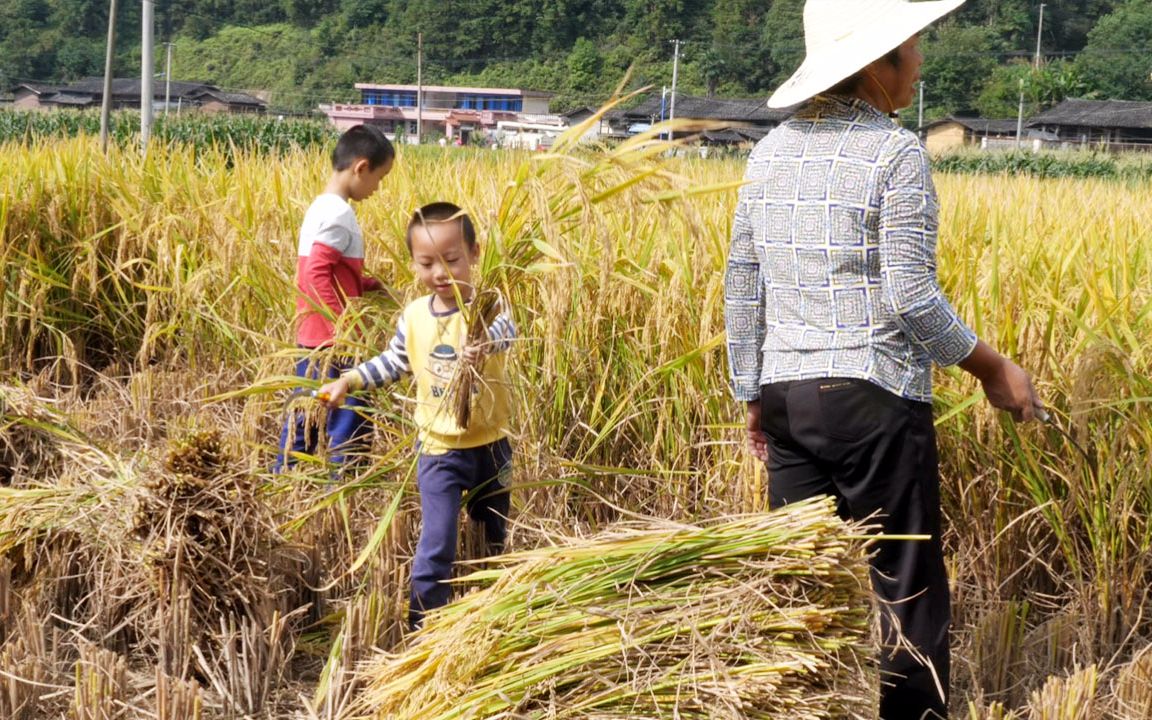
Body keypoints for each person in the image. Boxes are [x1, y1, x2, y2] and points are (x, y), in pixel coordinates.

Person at [723, 1, 1041, 718]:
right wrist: (994, 369)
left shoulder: (767, 153)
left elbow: (743, 281)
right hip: (871, 400)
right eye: (912, 47)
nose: (920, 61)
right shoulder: (895, 154)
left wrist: (752, 392)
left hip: (785, 396)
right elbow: (909, 298)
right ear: (876, 65)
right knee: (904, 592)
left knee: (800, 594)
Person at [318, 202, 516, 629]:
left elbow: (507, 333)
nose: (440, 272)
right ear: (414, 263)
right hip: (440, 452)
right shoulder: (413, 318)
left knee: (495, 537)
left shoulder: (490, 307)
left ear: (474, 253)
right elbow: (392, 363)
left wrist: (483, 341)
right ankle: (423, 627)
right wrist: (348, 381)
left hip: (491, 447)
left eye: (452, 259)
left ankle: (489, 618)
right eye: (427, 263)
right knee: (437, 543)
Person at [274, 124, 396, 473]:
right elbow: (316, 274)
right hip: (334, 342)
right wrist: (344, 329)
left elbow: (329, 270)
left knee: (307, 414)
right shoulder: (340, 214)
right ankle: (345, 484)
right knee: (352, 414)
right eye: (380, 177)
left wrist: (371, 284)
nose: (378, 188)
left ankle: (287, 479)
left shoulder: (320, 207)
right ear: (361, 168)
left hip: (311, 336)